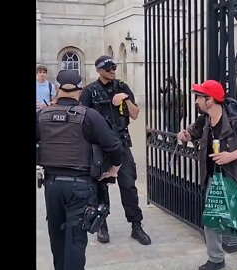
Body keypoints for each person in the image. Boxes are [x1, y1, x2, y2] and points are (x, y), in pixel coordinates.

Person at [36, 69, 123, 270]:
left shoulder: (42, 115)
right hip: (80, 187)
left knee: (57, 239)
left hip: (52, 185)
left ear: (57, 89)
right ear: (79, 90)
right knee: (75, 241)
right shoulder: (89, 116)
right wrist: (114, 169)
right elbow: (114, 146)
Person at [176, 79, 237, 270]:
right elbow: (192, 133)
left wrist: (231, 156)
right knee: (212, 220)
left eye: (198, 97)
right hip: (214, 177)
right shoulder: (206, 119)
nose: (195, 101)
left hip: (235, 177)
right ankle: (216, 259)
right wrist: (184, 136)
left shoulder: (236, 119)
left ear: (209, 100)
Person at [79, 55, 151, 245]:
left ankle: (136, 226)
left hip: (122, 143)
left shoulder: (122, 87)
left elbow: (135, 115)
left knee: (128, 184)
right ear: (99, 70)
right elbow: (83, 121)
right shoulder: (89, 91)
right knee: (100, 186)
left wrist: (125, 99)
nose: (112, 71)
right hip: (100, 147)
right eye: (108, 68)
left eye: (114, 68)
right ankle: (102, 224)